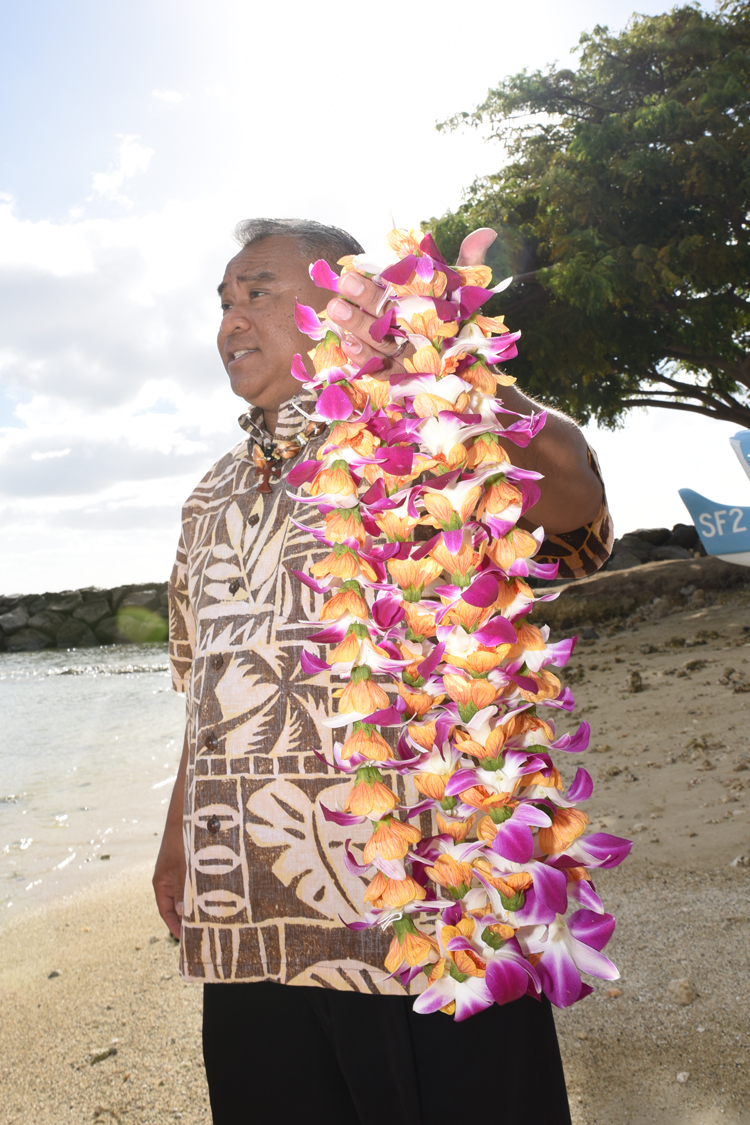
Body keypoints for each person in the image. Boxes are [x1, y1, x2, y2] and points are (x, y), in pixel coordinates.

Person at [153, 218, 613, 1125]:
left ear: (341, 304)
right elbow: (207, 688)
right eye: (223, 301)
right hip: (245, 912)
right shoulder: (207, 495)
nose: (231, 321)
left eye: (258, 291)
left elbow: (576, 502)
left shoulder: (425, 428)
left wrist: (449, 379)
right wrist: (176, 832)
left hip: (423, 913)